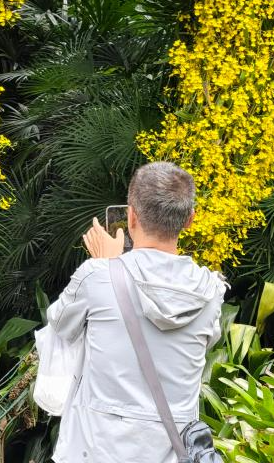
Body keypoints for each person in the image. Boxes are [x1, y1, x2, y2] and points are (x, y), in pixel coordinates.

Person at [46, 161, 227, 463]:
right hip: (173, 453)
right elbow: (204, 344)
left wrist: (106, 264)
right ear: (190, 220)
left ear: (131, 216)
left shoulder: (97, 277)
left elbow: (60, 324)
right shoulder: (210, 292)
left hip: (100, 452)